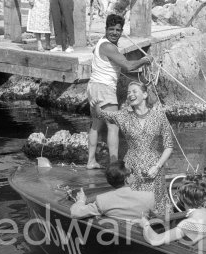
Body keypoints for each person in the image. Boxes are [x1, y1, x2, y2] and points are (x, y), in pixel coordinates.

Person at [90, 81, 173, 215]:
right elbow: (102, 115)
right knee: (134, 204)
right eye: (128, 93)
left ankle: (159, 228)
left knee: (156, 205)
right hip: (131, 168)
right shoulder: (123, 116)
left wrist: (157, 166)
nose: (130, 95)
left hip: (154, 167)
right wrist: (96, 108)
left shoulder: (159, 116)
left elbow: (168, 146)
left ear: (145, 95)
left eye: (134, 91)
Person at [86, 14, 153, 169]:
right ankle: (114, 165)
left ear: (122, 31)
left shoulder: (100, 44)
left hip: (94, 87)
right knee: (113, 126)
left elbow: (116, 67)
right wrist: (144, 60)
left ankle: (91, 161)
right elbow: (128, 66)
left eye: (118, 30)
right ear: (106, 29)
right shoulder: (108, 46)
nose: (115, 33)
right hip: (104, 88)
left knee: (96, 125)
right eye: (111, 29)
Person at [139, 175, 206, 254]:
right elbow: (185, 214)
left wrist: (145, 224)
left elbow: (155, 240)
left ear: (182, 197)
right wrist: (159, 217)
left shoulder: (190, 223)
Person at [70, 160, 155, 220]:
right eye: (131, 172)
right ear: (127, 179)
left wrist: (80, 201)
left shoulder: (102, 200)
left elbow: (75, 213)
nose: (133, 174)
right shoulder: (148, 197)